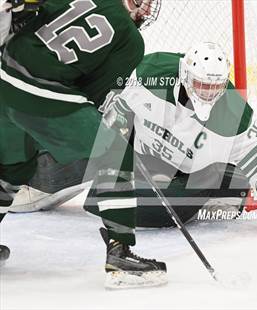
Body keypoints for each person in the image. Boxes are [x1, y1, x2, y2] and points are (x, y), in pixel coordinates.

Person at [0, 0, 167, 289]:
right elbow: (93, 94)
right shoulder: (131, 39)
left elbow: (27, 15)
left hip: (3, 76)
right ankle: (121, 255)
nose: (146, 9)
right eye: (143, 4)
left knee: (13, 166)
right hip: (37, 89)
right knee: (113, 151)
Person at [85, 42, 257, 234]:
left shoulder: (232, 111)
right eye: (202, 84)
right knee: (100, 168)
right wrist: (115, 125)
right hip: (142, 156)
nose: (208, 92)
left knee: (204, 198)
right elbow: (119, 108)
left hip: (186, 173)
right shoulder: (153, 73)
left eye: (216, 86)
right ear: (185, 76)